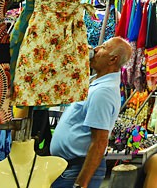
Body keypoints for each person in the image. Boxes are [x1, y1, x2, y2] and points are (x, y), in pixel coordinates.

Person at [50, 37, 133, 188]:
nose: (96, 49)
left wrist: (81, 183)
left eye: (103, 48)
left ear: (112, 59)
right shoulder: (95, 82)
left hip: (77, 168)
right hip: (69, 166)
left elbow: (100, 141)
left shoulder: (103, 92)